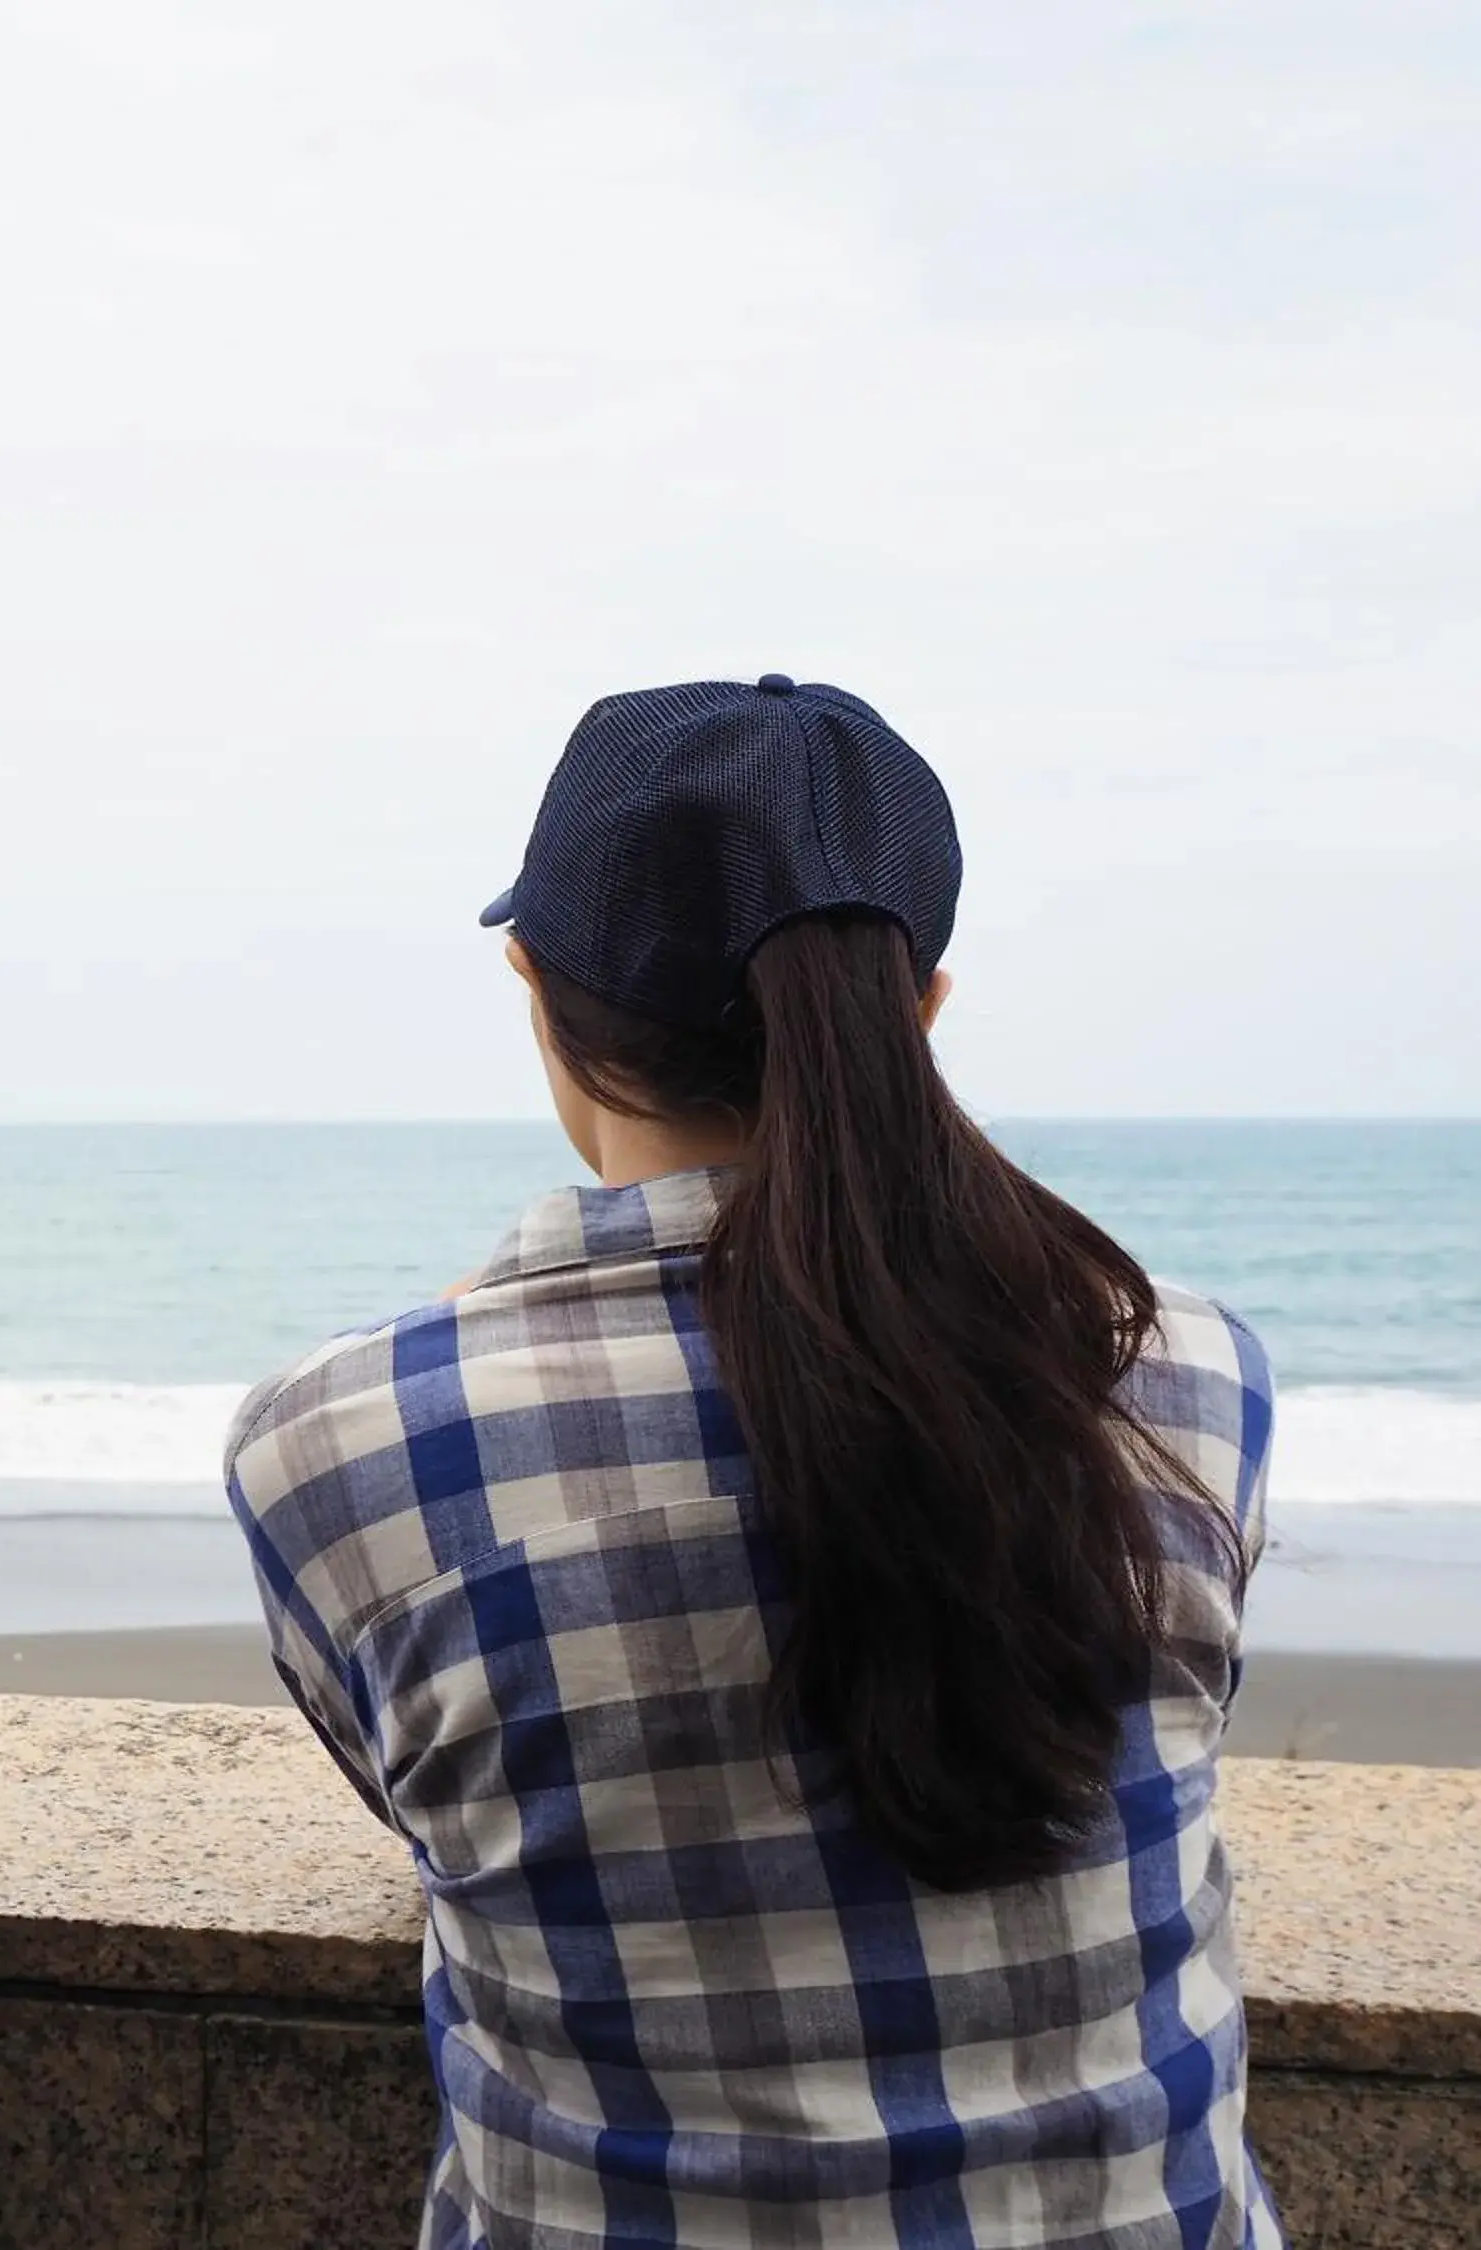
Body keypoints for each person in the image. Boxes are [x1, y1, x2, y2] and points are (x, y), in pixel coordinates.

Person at [225, 679, 1277, 2250]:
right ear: (918, 1006)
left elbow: (443, 1821)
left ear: (537, 990)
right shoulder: (1178, 1368)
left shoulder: (344, 1438)